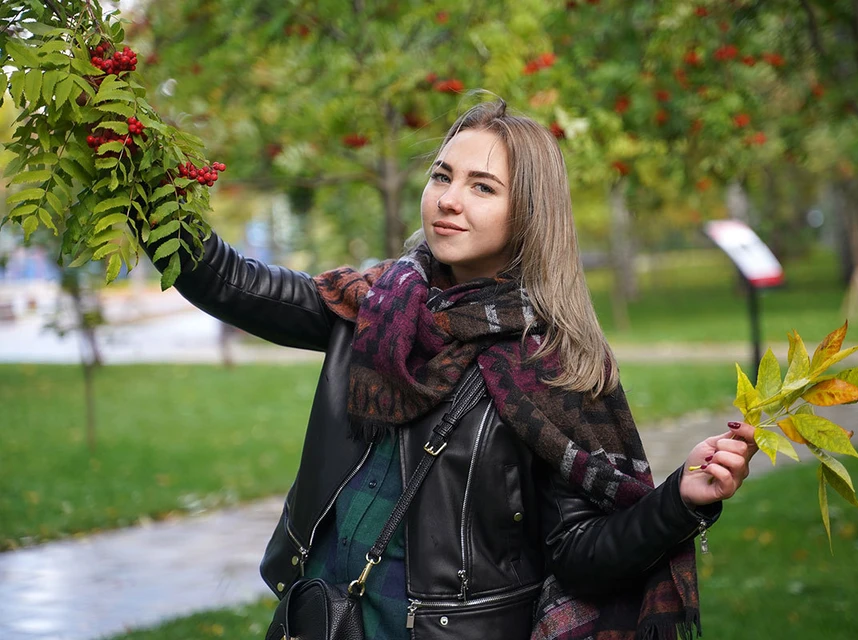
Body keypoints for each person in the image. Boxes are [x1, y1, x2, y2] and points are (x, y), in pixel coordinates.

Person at [149, 99, 757, 640]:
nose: (448, 198)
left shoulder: (555, 361)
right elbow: (227, 281)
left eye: (482, 187)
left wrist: (679, 500)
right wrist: (138, 168)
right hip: (327, 618)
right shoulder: (374, 304)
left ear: (529, 214)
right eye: (442, 175)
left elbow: (578, 553)